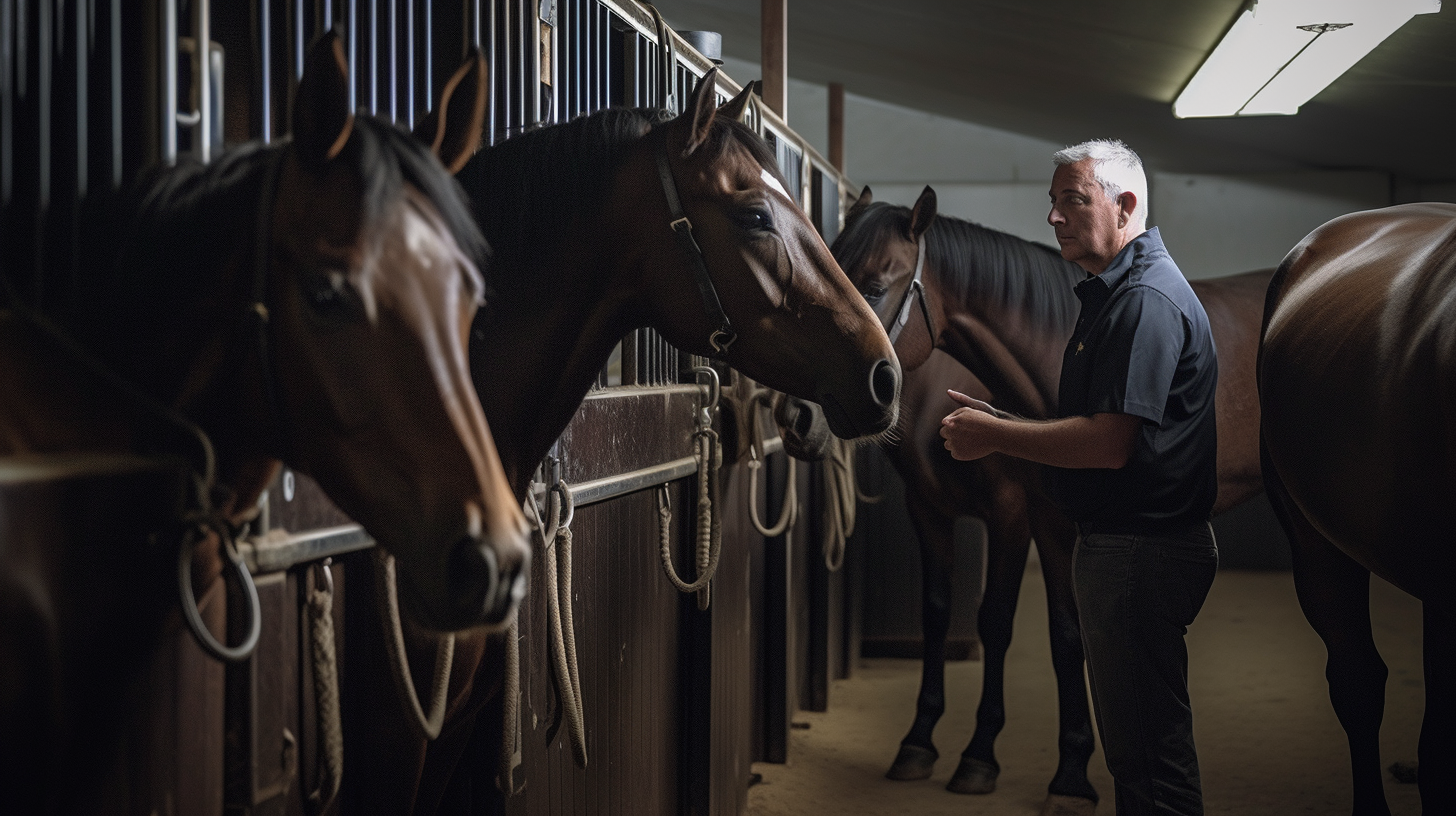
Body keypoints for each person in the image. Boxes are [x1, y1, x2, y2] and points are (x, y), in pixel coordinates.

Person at [939, 139, 1219, 815]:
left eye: (1073, 201)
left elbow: (1109, 443)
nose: (1055, 218)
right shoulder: (1119, 295)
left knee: (1149, 754)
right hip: (1131, 547)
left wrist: (992, 435)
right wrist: (1002, 418)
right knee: (1136, 751)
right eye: (1053, 202)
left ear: (1124, 206)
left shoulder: (1144, 302)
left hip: (1137, 552)